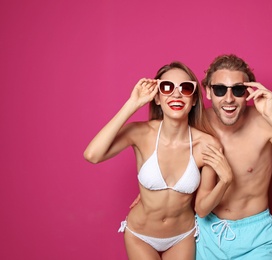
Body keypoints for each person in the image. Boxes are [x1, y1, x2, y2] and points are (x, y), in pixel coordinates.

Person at [84, 61, 233, 260]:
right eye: (167, 87)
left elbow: (202, 209)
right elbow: (92, 155)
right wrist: (132, 104)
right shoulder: (140, 133)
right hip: (140, 236)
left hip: (182, 237)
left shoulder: (207, 144)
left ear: (195, 99)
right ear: (157, 98)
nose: (176, 94)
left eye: (186, 88)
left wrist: (226, 181)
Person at [195, 54, 272, 259]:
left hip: (255, 238)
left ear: (248, 92)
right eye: (220, 89)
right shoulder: (198, 123)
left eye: (238, 90)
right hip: (208, 233)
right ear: (209, 92)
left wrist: (271, 115)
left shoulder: (263, 124)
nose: (229, 99)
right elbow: (167, 156)